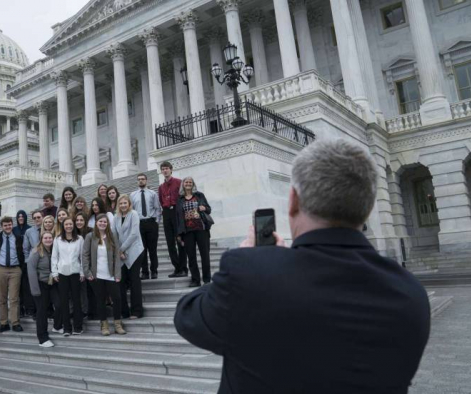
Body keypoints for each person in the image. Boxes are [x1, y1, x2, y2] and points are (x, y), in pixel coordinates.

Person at [174, 139, 431, 393]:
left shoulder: (250, 275)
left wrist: (249, 259)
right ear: (368, 206)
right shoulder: (410, 294)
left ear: (293, 200)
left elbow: (187, 316)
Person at [83, 214, 126, 336]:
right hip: (96, 275)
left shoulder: (112, 236)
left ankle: (118, 324)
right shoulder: (90, 236)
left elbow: (116, 256)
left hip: (111, 275)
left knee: (117, 298)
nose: (103, 223)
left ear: (107, 223)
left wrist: (118, 273)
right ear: (96, 223)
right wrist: (87, 272)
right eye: (100, 221)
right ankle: (104, 325)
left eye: (105, 222)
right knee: (100, 300)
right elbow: (85, 255)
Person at [0, 216, 25, 333]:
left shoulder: (18, 238)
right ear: (2, 227)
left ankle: (15, 322)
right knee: (2, 299)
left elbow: (23, 253)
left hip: (15, 270)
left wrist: (21, 268)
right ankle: (4, 323)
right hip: (0, 270)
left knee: (14, 298)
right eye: (5, 225)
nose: (8, 227)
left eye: (9, 225)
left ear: (12, 225)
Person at [175, 177, 213, 287]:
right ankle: (195, 280)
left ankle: (206, 279)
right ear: (183, 184)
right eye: (186, 182)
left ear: (193, 184)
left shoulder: (199, 195)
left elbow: (209, 209)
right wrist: (178, 234)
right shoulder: (180, 199)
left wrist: (204, 208)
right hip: (187, 232)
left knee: (205, 255)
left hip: (201, 229)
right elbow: (178, 217)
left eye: (190, 182)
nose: (188, 184)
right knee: (191, 257)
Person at [51, 217, 85, 336]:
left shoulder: (80, 239)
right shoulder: (58, 239)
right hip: (62, 274)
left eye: (70, 224)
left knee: (76, 301)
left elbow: (82, 257)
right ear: (63, 226)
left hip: (76, 273)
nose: (69, 226)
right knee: (64, 302)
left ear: (73, 225)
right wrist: (54, 272)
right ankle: (67, 328)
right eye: (66, 224)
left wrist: (82, 272)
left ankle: (78, 327)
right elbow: (54, 257)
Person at [112, 194, 144, 319]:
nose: (123, 205)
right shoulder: (116, 217)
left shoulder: (134, 214)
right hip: (121, 253)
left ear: (129, 204)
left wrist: (121, 249)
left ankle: (137, 311)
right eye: (121, 203)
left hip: (135, 251)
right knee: (121, 283)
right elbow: (114, 235)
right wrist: (119, 251)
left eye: (125, 203)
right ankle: (123, 311)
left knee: (135, 281)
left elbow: (134, 234)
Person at [27, 231, 57, 348]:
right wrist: (35, 290)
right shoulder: (36, 251)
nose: (48, 240)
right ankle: (42, 338)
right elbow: (31, 270)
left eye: (50, 237)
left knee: (59, 304)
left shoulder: (54, 250)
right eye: (46, 238)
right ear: (41, 239)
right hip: (40, 285)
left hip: (52, 284)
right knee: (42, 311)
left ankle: (57, 326)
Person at [158, 161, 187, 278]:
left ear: (171, 169)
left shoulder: (179, 182)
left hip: (177, 211)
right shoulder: (161, 187)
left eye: (166, 168)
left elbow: (183, 197)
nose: (165, 171)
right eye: (163, 169)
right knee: (170, 242)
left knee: (180, 240)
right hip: (166, 212)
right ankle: (177, 268)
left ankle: (184, 268)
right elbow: (161, 200)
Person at [130, 173, 161, 280]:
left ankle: (154, 271)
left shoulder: (153, 193)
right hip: (139, 224)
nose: (141, 181)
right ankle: (144, 272)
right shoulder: (133, 195)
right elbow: (131, 211)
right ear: (137, 181)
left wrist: (156, 221)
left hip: (151, 223)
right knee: (141, 250)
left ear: (146, 181)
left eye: (143, 179)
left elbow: (157, 208)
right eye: (139, 179)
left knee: (153, 249)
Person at [74, 211, 93, 318]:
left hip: (90, 264)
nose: (79, 222)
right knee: (82, 290)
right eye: (77, 220)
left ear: (85, 221)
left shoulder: (91, 231)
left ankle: (90, 311)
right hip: (78, 265)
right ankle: (84, 310)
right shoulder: (73, 232)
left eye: (81, 220)